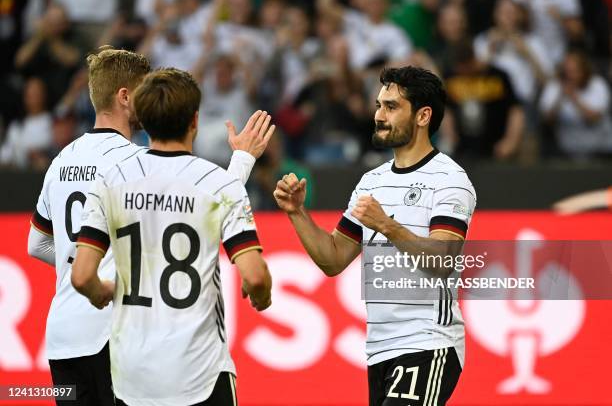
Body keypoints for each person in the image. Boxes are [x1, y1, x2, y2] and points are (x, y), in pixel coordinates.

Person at [27, 47, 274, 405]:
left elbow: (37, 245)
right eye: (144, 91)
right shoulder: (134, 165)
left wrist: (79, 266)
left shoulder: (61, 160)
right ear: (126, 97)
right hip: (113, 331)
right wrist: (243, 160)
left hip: (63, 336)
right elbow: (202, 200)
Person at [274, 66, 476, 405]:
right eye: (379, 105)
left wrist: (388, 225)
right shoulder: (372, 181)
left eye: (391, 107)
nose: (378, 115)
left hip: (428, 342)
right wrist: (297, 213)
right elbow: (334, 258)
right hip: (380, 347)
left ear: (423, 115)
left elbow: (442, 259)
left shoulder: (449, 180)